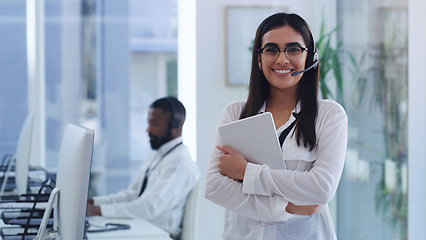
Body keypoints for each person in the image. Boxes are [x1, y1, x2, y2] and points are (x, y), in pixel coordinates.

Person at [205, 13, 347, 240]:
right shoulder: (235, 113)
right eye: (271, 50)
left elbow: (321, 188)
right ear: (259, 59)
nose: (282, 59)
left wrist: (246, 172)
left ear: (309, 57)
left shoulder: (330, 115)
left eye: (293, 49)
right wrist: (286, 207)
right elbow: (214, 187)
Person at [87, 96, 200, 239]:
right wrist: (94, 202)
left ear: (175, 125)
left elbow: (148, 208)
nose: (148, 130)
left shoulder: (180, 162)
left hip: (158, 234)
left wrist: (97, 210)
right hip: (142, 228)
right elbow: (133, 194)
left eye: (155, 124)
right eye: (148, 123)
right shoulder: (157, 154)